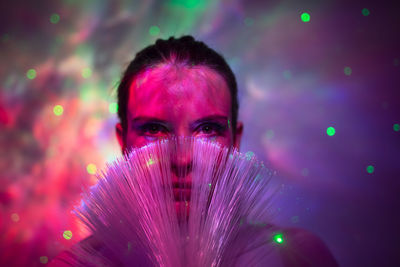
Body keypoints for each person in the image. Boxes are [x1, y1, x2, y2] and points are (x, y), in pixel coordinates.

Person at [50, 35, 337, 266]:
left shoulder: (298, 258)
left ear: (234, 142)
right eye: (153, 130)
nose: (183, 159)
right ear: (124, 143)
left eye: (208, 129)